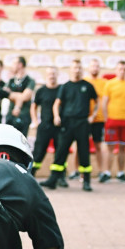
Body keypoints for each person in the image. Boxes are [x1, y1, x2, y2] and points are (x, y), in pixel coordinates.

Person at [41, 63, 99, 192]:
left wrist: (93, 115)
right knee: (61, 152)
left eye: (79, 68)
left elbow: (97, 101)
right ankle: (53, 179)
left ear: (82, 70)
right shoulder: (65, 87)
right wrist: (56, 116)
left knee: (84, 152)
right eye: (74, 68)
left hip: (82, 123)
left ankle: (86, 181)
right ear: (70, 70)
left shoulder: (88, 86)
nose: (77, 70)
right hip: (67, 123)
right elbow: (57, 104)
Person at [99, 60, 125, 183]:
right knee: (110, 147)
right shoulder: (110, 84)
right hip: (113, 119)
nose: (122, 71)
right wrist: (107, 118)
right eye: (120, 69)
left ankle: (121, 173)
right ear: (116, 70)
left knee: (123, 147)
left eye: (124, 69)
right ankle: (107, 172)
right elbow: (104, 102)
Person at [30, 67, 61, 177]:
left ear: (57, 75)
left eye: (53, 73)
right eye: (49, 74)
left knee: (60, 153)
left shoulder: (62, 89)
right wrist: (35, 121)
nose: (51, 76)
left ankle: (59, 177)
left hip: (59, 127)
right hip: (44, 126)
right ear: (46, 75)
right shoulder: (41, 91)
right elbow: (33, 106)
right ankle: (31, 175)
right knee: (38, 152)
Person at [79, 58, 107, 180]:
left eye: (97, 66)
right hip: (84, 118)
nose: (95, 68)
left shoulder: (105, 83)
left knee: (98, 145)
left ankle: (101, 171)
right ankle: (77, 171)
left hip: (99, 119)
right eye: (92, 66)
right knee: (80, 145)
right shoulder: (83, 82)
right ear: (89, 68)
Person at [4, 56, 35, 136]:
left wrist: (13, 95)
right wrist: (19, 97)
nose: (12, 66)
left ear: (20, 65)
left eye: (14, 63)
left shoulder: (30, 80)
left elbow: (26, 97)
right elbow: (4, 93)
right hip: (10, 115)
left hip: (24, 115)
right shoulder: (11, 80)